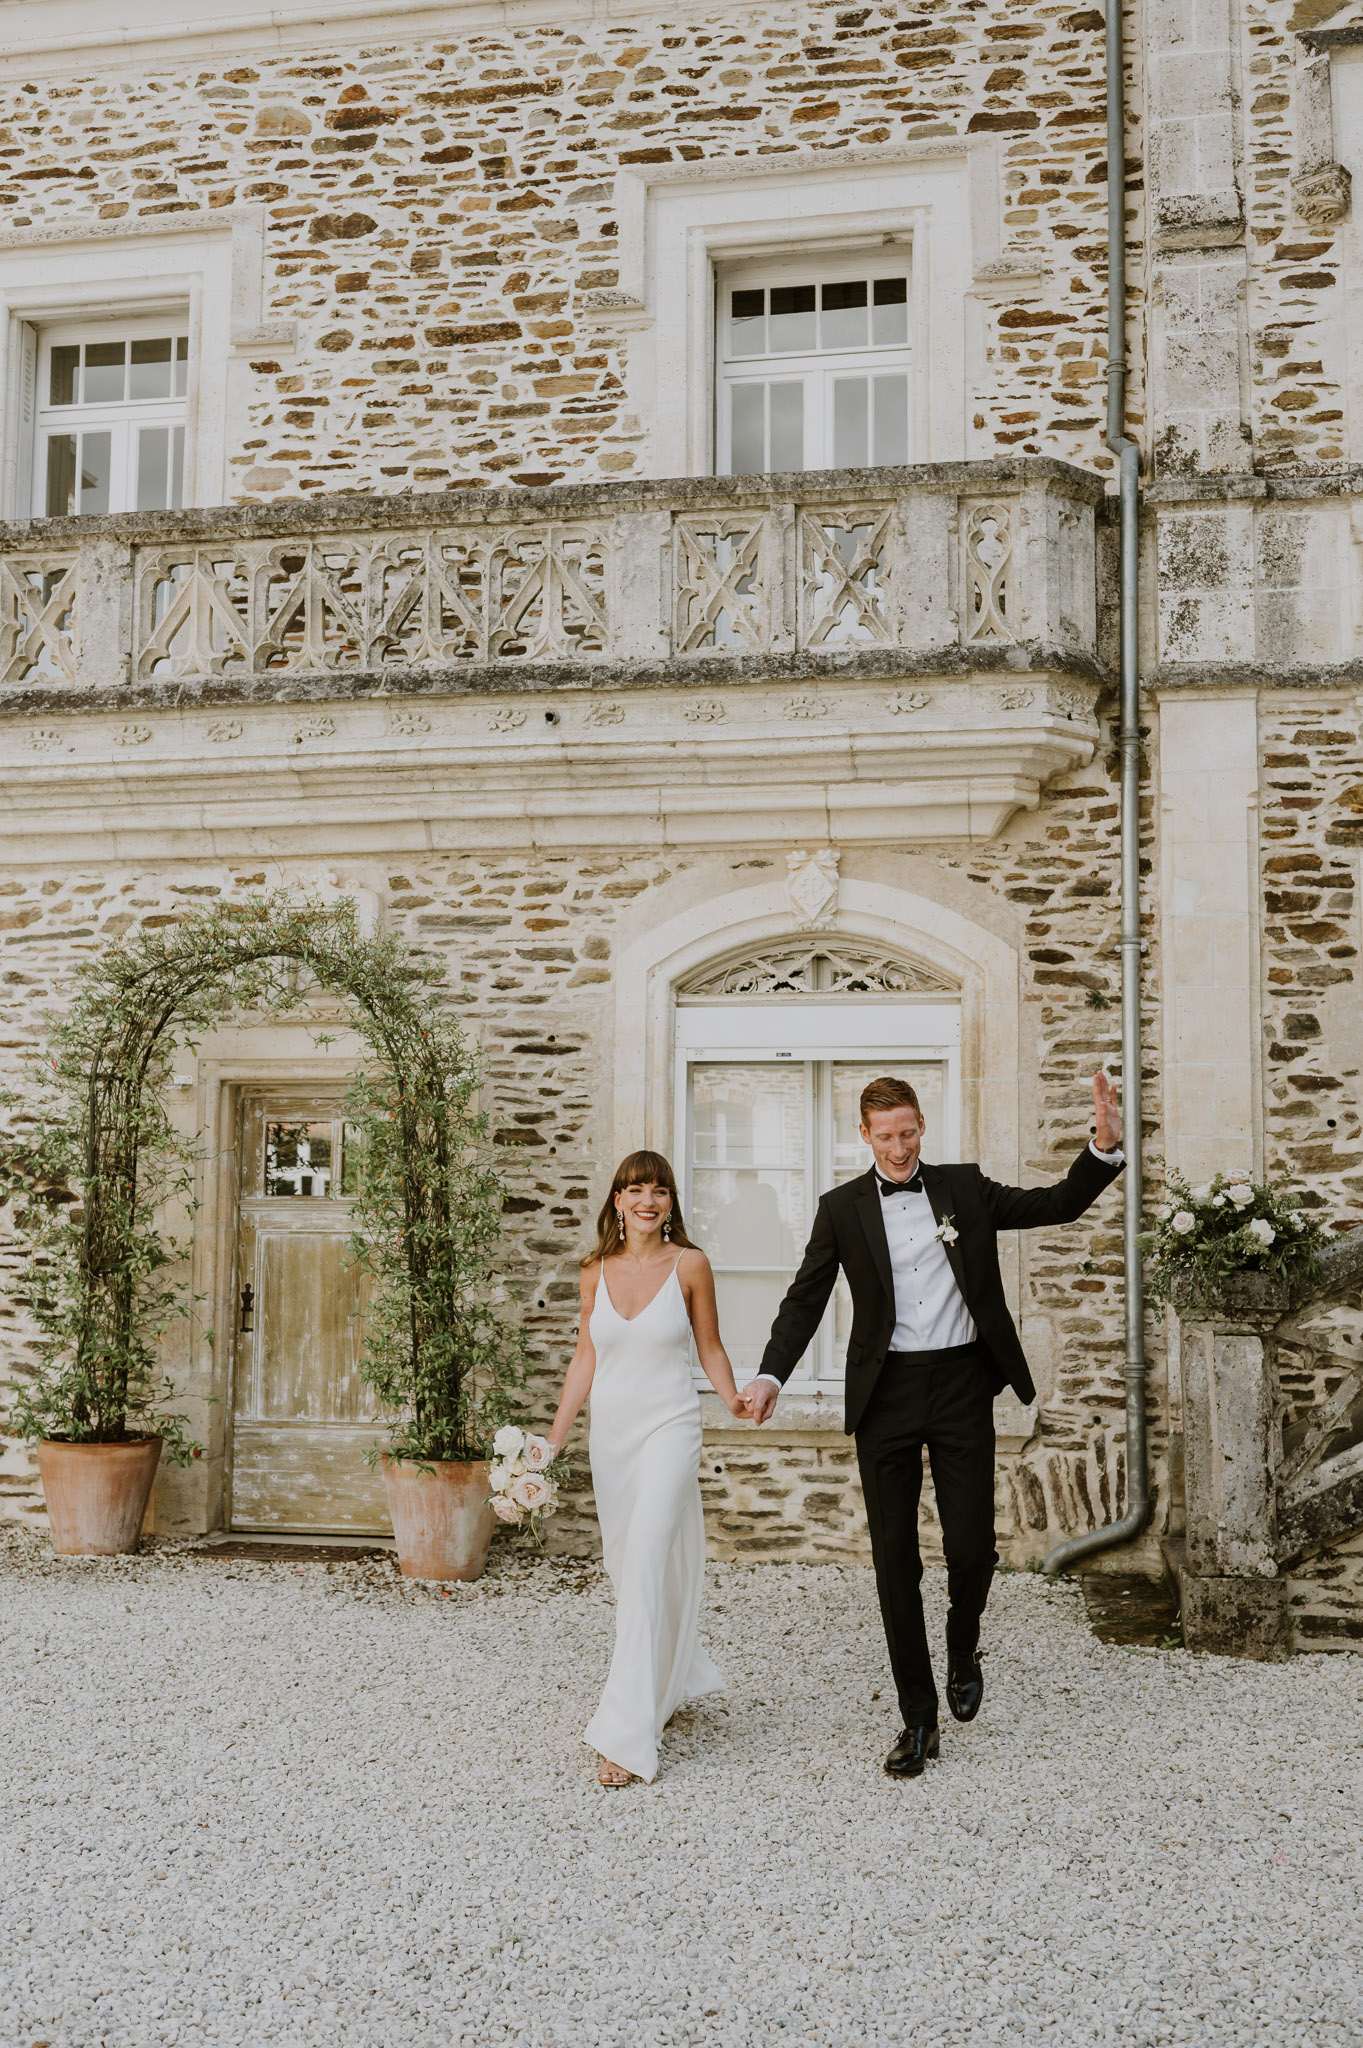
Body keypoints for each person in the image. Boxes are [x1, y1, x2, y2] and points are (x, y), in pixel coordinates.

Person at [742, 1071, 1124, 1779]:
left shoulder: (963, 1188)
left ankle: (963, 1643)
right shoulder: (840, 1208)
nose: (899, 1148)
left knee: (972, 1548)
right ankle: (918, 1719)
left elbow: (1057, 1204)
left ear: (922, 1126)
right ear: (864, 1135)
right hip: (884, 1393)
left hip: (959, 1385)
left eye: (909, 1132)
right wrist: (770, 1375)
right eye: (885, 1136)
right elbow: (804, 1300)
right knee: (895, 1561)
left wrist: (1102, 1148)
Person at [545, 1149, 748, 1787]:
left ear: (670, 1203)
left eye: (659, 1190)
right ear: (617, 1200)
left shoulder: (691, 1265)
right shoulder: (593, 1271)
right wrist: (553, 1440)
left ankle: (626, 1736)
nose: (647, 1200)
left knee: (647, 1558)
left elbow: (709, 1345)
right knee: (625, 1569)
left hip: (670, 1428)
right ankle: (673, 1676)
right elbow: (586, 1357)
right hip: (612, 1436)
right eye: (635, 1190)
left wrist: (733, 1398)